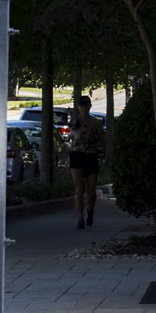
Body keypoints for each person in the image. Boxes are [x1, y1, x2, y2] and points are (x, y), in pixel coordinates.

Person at [66, 96, 105, 229]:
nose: (84, 109)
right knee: (79, 189)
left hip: (91, 156)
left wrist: (91, 141)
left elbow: (102, 141)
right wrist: (73, 137)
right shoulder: (74, 122)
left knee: (91, 190)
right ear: (78, 107)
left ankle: (90, 209)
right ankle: (80, 219)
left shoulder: (96, 123)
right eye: (82, 106)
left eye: (86, 106)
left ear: (90, 106)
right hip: (77, 156)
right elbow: (70, 137)